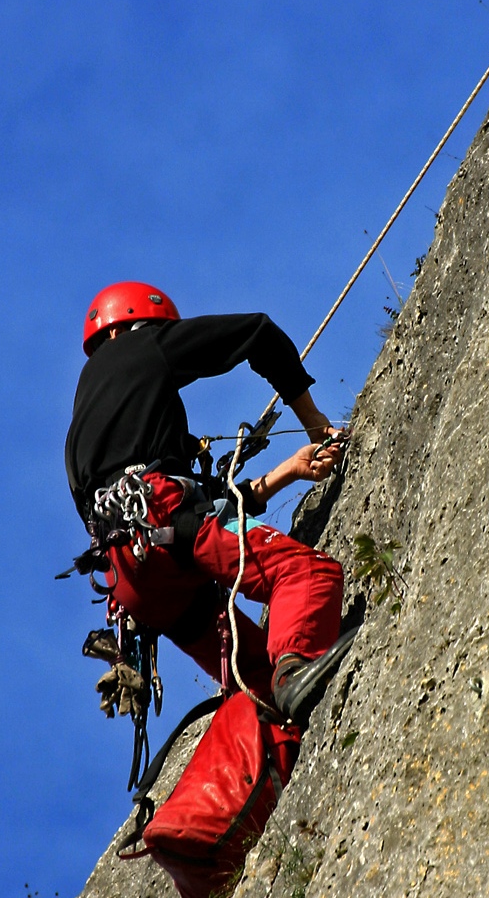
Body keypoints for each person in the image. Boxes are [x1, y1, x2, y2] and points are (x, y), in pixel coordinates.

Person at [64, 281, 353, 724]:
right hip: (164, 519)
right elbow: (259, 333)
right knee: (307, 574)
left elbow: (206, 512)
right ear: (129, 330)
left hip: (133, 578)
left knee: (255, 679)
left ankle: (269, 751)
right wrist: (315, 424)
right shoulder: (139, 348)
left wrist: (289, 472)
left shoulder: (83, 436)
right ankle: (295, 674)